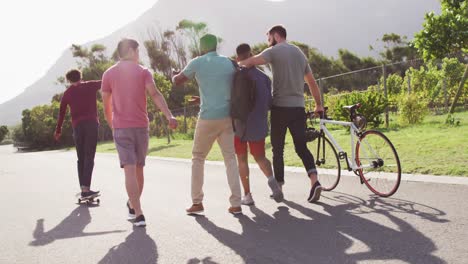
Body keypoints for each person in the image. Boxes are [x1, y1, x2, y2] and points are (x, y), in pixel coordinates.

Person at [239, 25, 325, 203]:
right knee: (301, 147)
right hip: (298, 108)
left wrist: (237, 64)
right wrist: (318, 104)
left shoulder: (274, 51)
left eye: (268, 38)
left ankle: (279, 187)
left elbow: (251, 62)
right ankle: (314, 181)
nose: (268, 42)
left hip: (280, 108)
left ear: (276, 36)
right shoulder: (300, 53)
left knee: (278, 149)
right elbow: (311, 82)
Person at [102, 38, 177, 227]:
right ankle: (137, 209)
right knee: (138, 169)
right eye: (138, 51)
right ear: (131, 50)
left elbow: (106, 106)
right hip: (141, 127)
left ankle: (137, 211)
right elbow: (155, 94)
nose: (139, 55)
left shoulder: (108, 74)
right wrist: (169, 116)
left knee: (129, 169)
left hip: (122, 128)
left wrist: (113, 125)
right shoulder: (143, 71)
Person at [172, 34, 243, 215]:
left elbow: (178, 81)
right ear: (216, 45)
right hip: (227, 117)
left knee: (198, 158)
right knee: (230, 159)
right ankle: (236, 203)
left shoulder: (198, 61)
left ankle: (197, 202)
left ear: (202, 47)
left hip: (207, 118)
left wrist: (174, 74)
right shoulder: (229, 62)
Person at [233, 43, 283, 205]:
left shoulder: (235, 75)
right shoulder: (264, 77)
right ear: (252, 55)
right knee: (260, 157)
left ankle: (247, 195)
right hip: (258, 124)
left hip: (239, 125)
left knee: (241, 160)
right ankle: (271, 180)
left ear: (238, 58)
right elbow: (269, 103)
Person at [54, 69, 101, 199]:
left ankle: (83, 188)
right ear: (81, 76)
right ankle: (86, 190)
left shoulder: (67, 93)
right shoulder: (90, 85)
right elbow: (108, 81)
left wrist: (58, 130)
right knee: (89, 156)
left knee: (81, 158)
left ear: (69, 80)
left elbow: (61, 113)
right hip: (91, 124)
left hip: (78, 128)